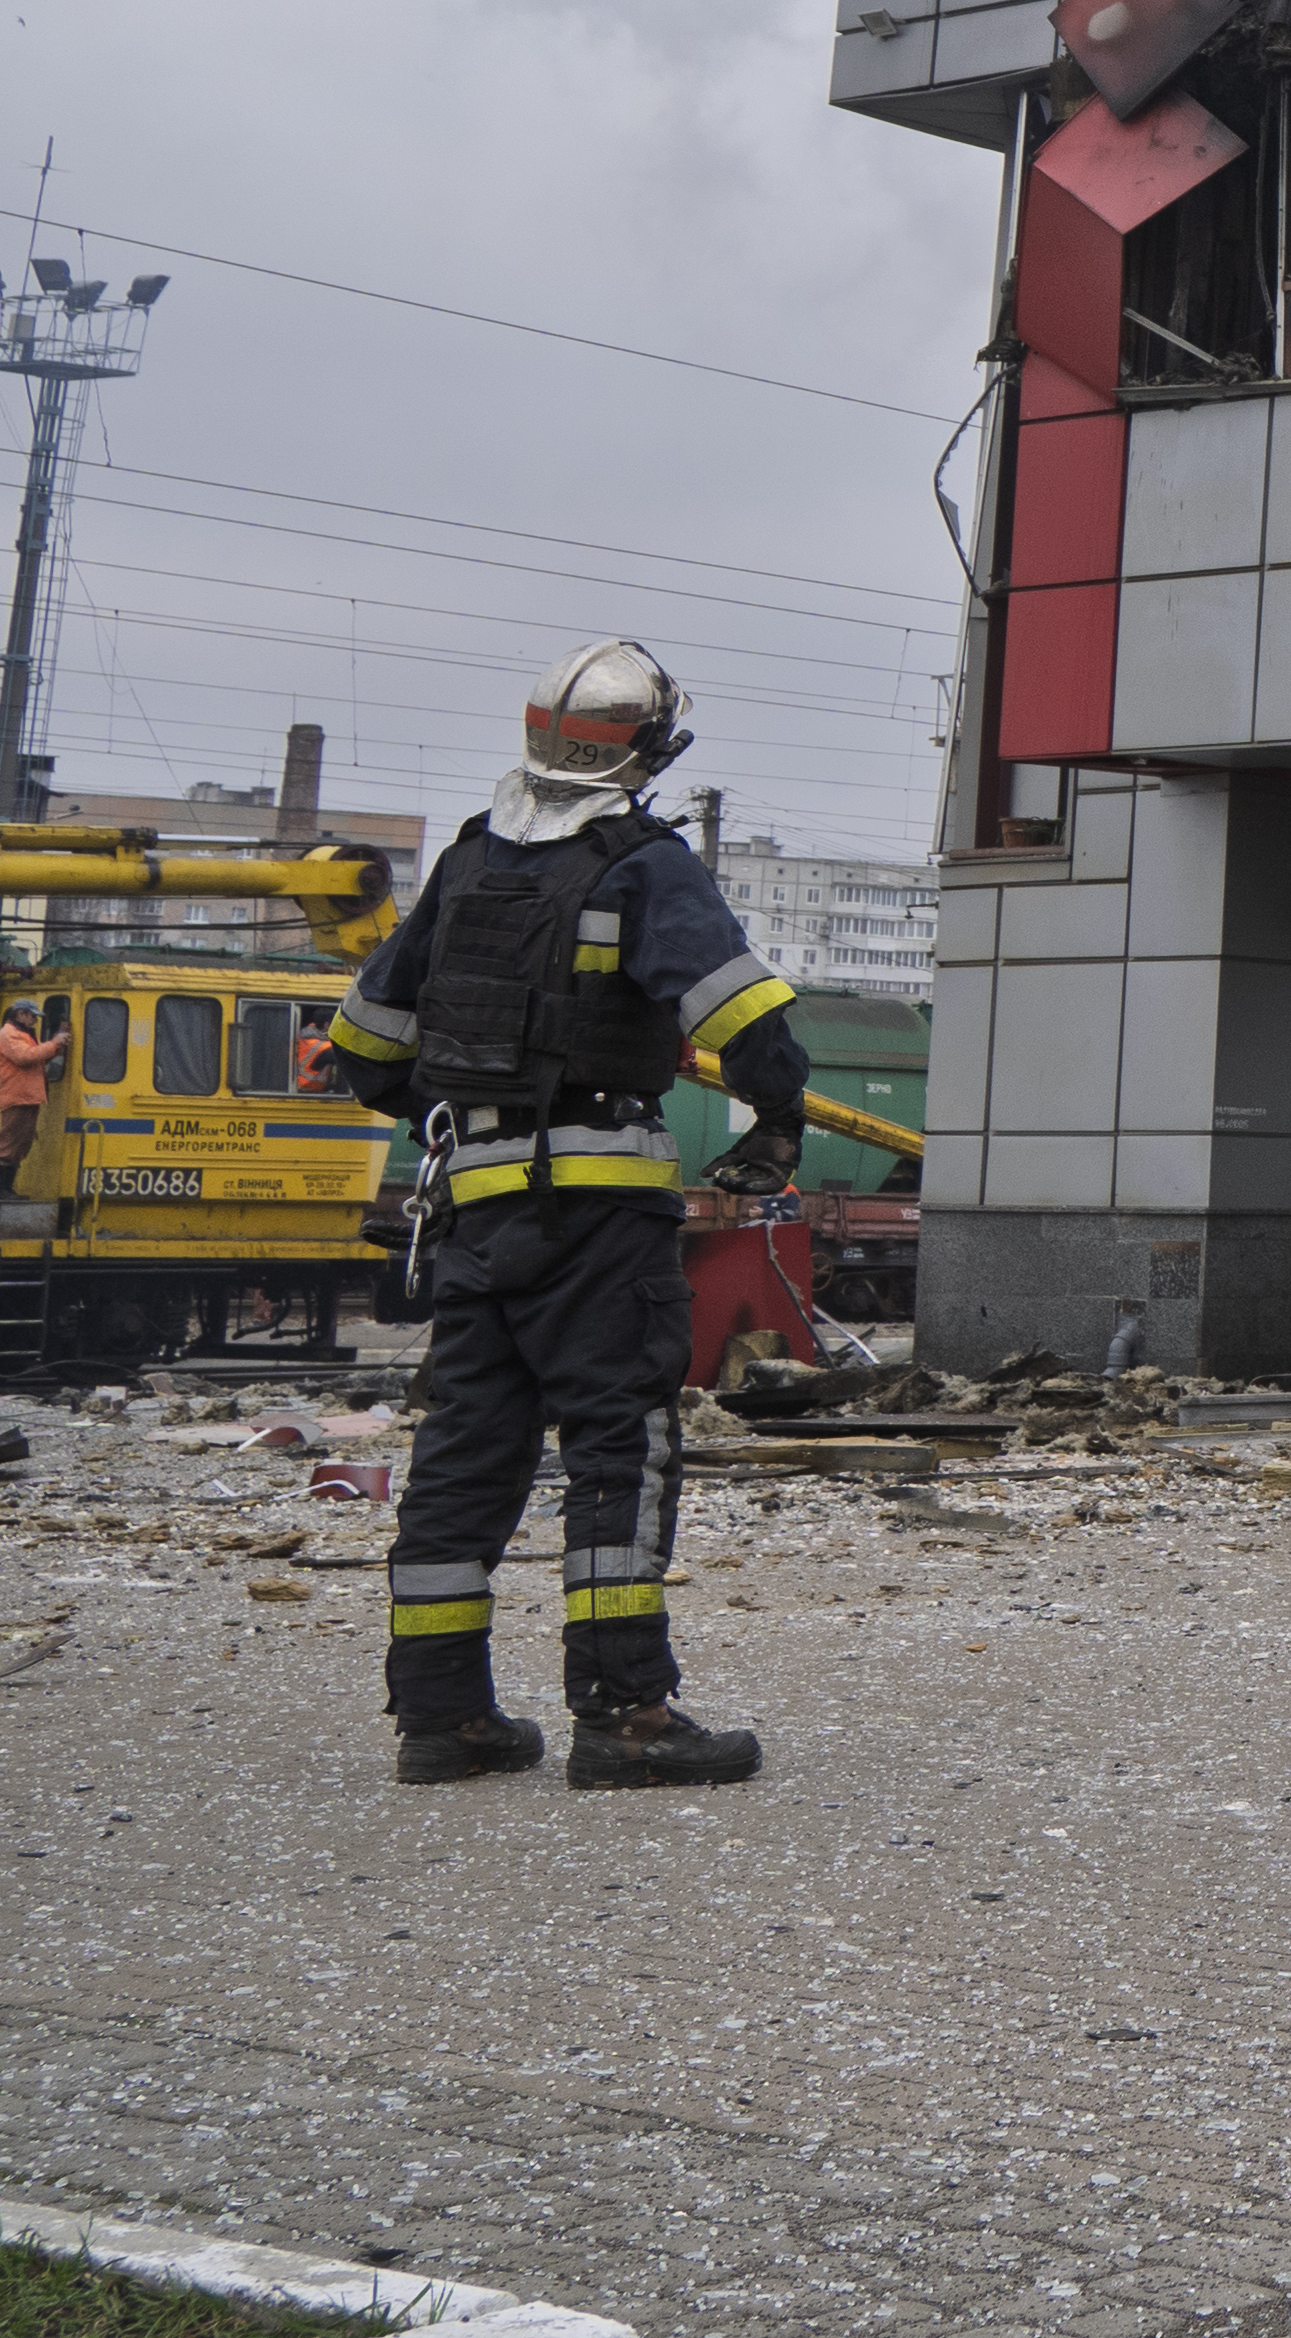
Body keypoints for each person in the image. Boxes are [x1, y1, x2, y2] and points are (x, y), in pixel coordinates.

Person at [322, 640, 808, 1789]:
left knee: (464, 1454)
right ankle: (627, 1713)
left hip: (475, 1222)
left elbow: (363, 1046)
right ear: (645, 750)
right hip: (598, 1221)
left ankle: (444, 1721)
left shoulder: (468, 860)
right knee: (615, 1447)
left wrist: (461, 1108)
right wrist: (774, 1119)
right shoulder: (640, 863)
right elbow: (745, 1021)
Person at [0, 998, 58, 1197]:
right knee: (9, 1141)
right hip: (16, 1095)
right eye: (32, 1016)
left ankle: (6, 1188)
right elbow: (25, 1057)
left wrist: (55, 1046)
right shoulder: (9, 1034)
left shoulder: (22, 1034)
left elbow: (35, 1057)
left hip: (26, 1096)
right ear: (20, 1014)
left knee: (20, 1142)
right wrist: (53, 1044)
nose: (35, 1020)